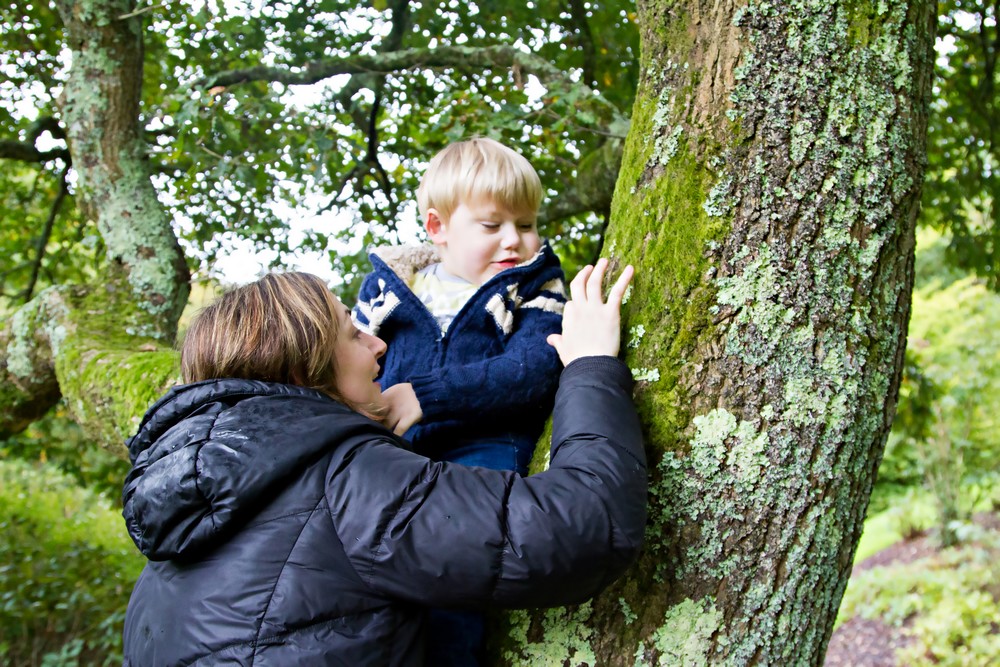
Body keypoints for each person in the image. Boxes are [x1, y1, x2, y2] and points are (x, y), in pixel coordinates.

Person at [121, 260, 644, 666]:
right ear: (305, 371)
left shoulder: (164, 563)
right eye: (352, 333)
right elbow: (585, 524)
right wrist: (590, 364)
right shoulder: (343, 478)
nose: (377, 345)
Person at [351, 137, 565, 663]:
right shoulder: (391, 289)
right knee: (365, 574)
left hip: (483, 451)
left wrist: (426, 395)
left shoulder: (533, 287)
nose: (515, 240)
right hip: (393, 452)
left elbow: (531, 371)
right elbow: (348, 363)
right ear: (437, 228)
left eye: (528, 223)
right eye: (492, 226)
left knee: (453, 573)